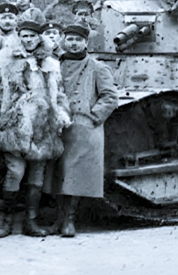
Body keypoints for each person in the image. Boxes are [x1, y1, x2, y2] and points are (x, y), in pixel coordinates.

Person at [0, 20, 71, 239]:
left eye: (33, 36)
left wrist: (60, 114)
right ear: (18, 36)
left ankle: (30, 221)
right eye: (24, 35)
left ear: (39, 37)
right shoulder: (3, 60)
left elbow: (59, 93)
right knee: (15, 171)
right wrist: (2, 118)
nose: (28, 40)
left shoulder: (50, 63)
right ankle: (7, 220)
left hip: (43, 125)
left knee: (37, 172)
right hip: (15, 125)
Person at [51, 24, 118, 237]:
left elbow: (110, 97)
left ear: (85, 43)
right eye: (69, 39)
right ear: (63, 41)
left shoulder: (97, 67)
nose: (73, 43)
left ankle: (69, 220)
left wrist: (92, 115)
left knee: (73, 173)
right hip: (58, 124)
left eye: (78, 39)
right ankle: (58, 219)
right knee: (56, 174)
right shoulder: (54, 66)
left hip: (84, 127)